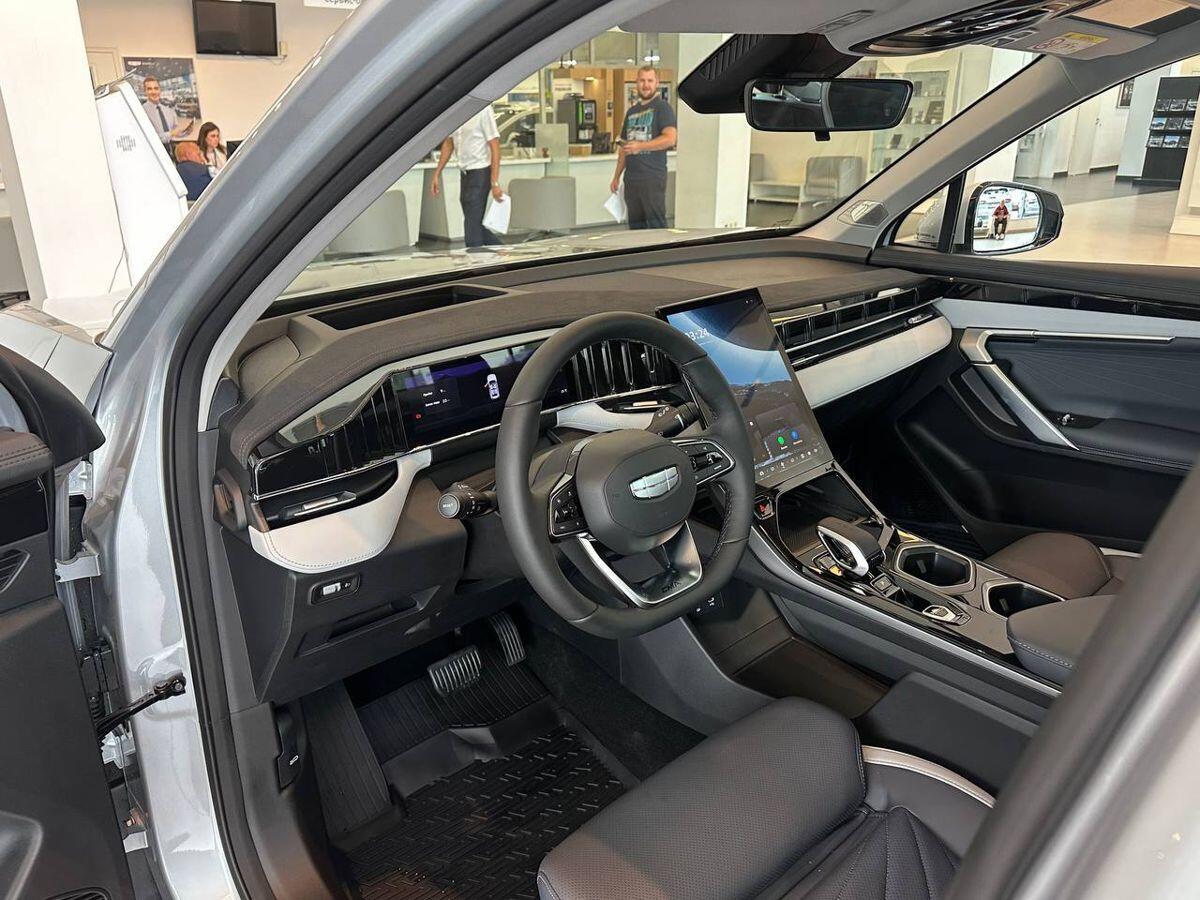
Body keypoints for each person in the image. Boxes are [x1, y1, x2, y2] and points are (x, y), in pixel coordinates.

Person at [610, 66, 677, 229]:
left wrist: (641, 146)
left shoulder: (662, 108)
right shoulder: (632, 112)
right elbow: (624, 147)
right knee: (635, 227)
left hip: (652, 178)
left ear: (657, 83)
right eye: (642, 80)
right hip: (632, 178)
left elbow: (670, 139)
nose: (646, 85)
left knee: (656, 225)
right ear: (636, 83)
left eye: (650, 80)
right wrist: (616, 176)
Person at [431, 106, 504, 249]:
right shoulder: (454, 111)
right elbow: (449, 143)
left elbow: (495, 146)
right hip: (464, 173)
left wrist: (495, 182)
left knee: (471, 228)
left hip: (480, 172)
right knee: (473, 224)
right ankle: (503, 251)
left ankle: (474, 259)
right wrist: (437, 173)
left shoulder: (483, 110)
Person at [142, 76, 192, 149]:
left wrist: (186, 132)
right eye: (149, 89)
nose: (154, 92)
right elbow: (148, 138)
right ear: (145, 92)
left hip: (172, 151)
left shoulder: (169, 111)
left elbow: (175, 134)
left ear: (160, 90)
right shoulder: (141, 112)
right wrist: (171, 133)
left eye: (156, 88)